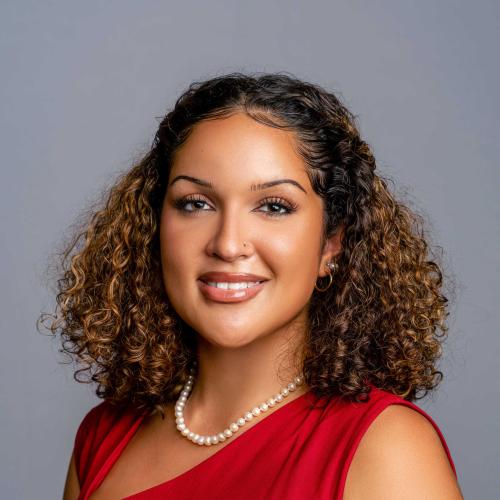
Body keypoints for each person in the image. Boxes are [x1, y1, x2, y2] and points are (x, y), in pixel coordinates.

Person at [40, 72, 464, 499]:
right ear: (155, 226)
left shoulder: (388, 448)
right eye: (196, 204)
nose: (227, 244)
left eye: (274, 207)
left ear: (330, 244)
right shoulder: (104, 437)